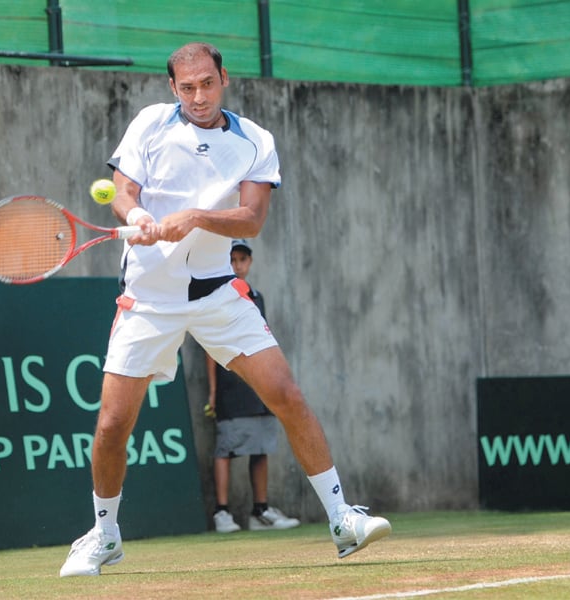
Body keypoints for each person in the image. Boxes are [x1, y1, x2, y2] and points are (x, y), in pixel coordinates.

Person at [59, 42, 390, 578]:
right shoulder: (149, 124)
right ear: (172, 88)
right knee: (113, 425)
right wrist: (138, 212)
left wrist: (194, 217)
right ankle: (104, 533)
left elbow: (252, 219)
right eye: (186, 87)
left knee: (287, 395)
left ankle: (341, 519)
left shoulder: (255, 139)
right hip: (148, 298)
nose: (197, 96)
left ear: (224, 79)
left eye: (206, 84)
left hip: (217, 293)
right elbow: (122, 190)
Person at [205, 238, 300, 533]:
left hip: (259, 386)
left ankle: (260, 511)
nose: (237, 265)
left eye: (242, 260)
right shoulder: (214, 295)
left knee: (261, 446)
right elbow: (210, 349)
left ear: (250, 262)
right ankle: (222, 512)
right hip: (230, 386)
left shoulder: (256, 295)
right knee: (226, 449)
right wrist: (213, 391)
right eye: (232, 259)